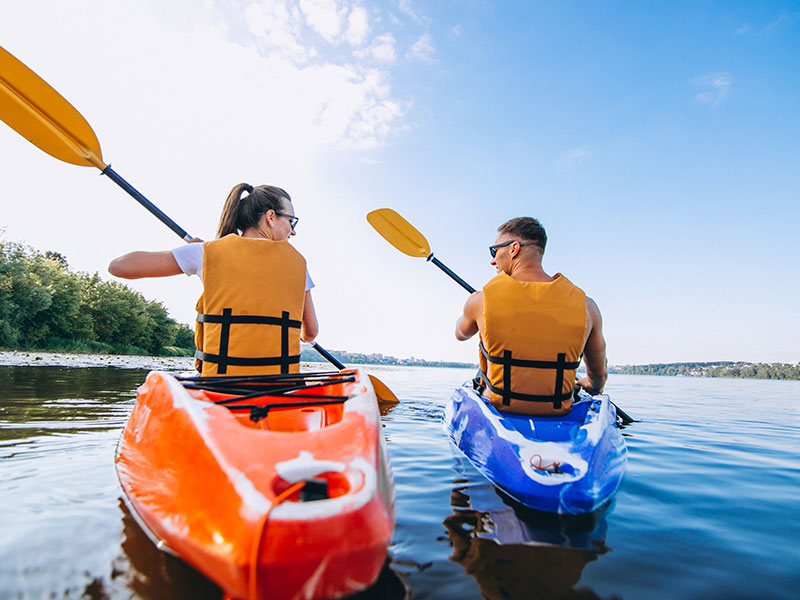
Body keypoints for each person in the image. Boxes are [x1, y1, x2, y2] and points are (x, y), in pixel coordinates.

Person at [109, 183, 318, 376]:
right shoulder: (299, 264)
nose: (293, 231)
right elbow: (310, 333)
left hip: (218, 386)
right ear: (271, 217)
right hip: (279, 387)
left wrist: (196, 253)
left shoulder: (206, 253)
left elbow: (118, 266)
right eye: (291, 221)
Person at [455, 217, 606, 416]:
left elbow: (460, 333)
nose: (492, 260)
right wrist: (590, 385)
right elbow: (598, 375)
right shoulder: (587, 306)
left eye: (494, 251)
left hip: (498, 408)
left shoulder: (480, 300)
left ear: (514, 249)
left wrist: (477, 302)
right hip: (559, 413)